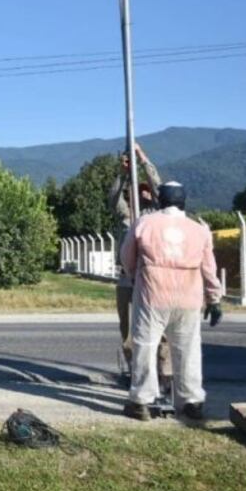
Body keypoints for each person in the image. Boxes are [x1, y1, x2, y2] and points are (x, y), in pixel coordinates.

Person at [120, 182, 223, 421]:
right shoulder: (199, 230)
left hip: (152, 294)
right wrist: (214, 299)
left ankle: (141, 401)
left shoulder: (144, 223)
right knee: (188, 349)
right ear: (183, 201)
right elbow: (209, 268)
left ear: (160, 200)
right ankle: (192, 401)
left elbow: (127, 257)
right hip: (189, 297)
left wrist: (136, 276)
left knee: (145, 346)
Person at [108, 142, 171, 386]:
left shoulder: (157, 216)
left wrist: (143, 159)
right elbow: (113, 198)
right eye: (138, 191)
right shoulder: (126, 216)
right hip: (127, 278)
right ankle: (136, 372)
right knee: (128, 331)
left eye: (146, 191)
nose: (143, 194)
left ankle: (164, 374)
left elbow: (159, 188)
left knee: (159, 328)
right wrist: (123, 174)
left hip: (153, 278)